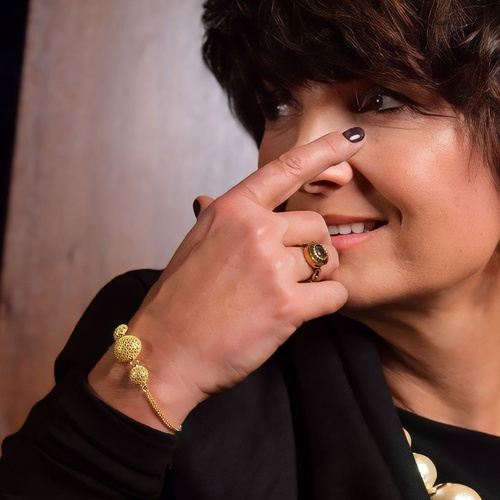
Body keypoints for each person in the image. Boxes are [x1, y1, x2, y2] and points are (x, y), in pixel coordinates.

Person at [1, 0, 499, 498]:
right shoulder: (153, 329)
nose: (303, 158)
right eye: (279, 105)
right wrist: (163, 366)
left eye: (382, 101)